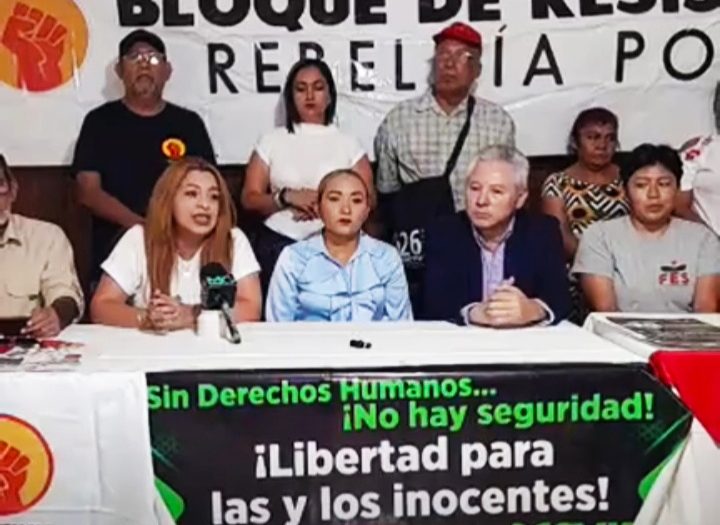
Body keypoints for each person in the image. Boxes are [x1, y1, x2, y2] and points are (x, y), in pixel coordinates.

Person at [374, 21, 515, 309]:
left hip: (477, 246)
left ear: (477, 70)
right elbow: (386, 190)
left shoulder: (497, 121)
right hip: (416, 250)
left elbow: (508, 190)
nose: (449, 64)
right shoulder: (399, 119)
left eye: (461, 56)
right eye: (443, 55)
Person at [73, 29, 216, 281]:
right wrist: (144, 228)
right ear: (119, 70)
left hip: (181, 247)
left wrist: (170, 230)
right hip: (117, 249)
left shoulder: (189, 124)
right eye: (134, 57)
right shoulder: (99, 122)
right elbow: (88, 192)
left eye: (153, 58)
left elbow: (210, 185)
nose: (144, 64)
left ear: (167, 71)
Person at [241, 58, 373, 295]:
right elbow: (249, 199)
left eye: (318, 88)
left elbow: (369, 198)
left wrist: (326, 205)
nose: (310, 96)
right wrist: (287, 197)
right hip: (278, 244)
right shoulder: (271, 140)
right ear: (290, 97)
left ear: (330, 96)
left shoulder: (349, 144)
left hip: (336, 247)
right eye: (301, 89)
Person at [91, 157, 261, 331]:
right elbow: (102, 306)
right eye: (192, 194)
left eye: (214, 197)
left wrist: (191, 315)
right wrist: (148, 318)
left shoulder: (233, 239)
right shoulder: (138, 238)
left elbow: (251, 307)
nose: (205, 205)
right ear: (168, 199)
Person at [422, 146, 570, 326]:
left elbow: (560, 299)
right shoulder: (444, 232)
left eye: (496, 191)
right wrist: (474, 313)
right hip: (463, 339)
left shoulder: (543, 232)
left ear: (520, 198)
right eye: (474, 188)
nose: (481, 201)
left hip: (523, 338)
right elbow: (433, 305)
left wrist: (533, 309)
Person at [574, 144, 720, 313]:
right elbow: (606, 310)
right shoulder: (599, 236)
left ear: (677, 188)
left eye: (664, 184)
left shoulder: (703, 239)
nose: (653, 195)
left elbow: (705, 310)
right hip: (616, 329)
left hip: (687, 330)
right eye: (641, 185)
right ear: (625, 191)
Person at [266, 169, 411, 322]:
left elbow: (402, 325)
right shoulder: (293, 258)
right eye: (334, 199)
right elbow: (277, 326)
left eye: (356, 201)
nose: (346, 210)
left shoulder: (386, 257)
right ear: (318, 208)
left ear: (367, 211)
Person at [541, 108, 629, 321]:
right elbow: (560, 236)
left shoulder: (629, 178)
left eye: (610, 138)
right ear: (575, 142)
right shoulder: (557, 183)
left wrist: (621, 265)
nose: (602, 145)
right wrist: (598, 265)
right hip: (577, 269)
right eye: (593, 137)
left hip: (627, 268)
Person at [0, 154, 83, 337]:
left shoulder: (46, 237)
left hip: (22, 345)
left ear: (13, 191)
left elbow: (66, 295)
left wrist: (56, 315)